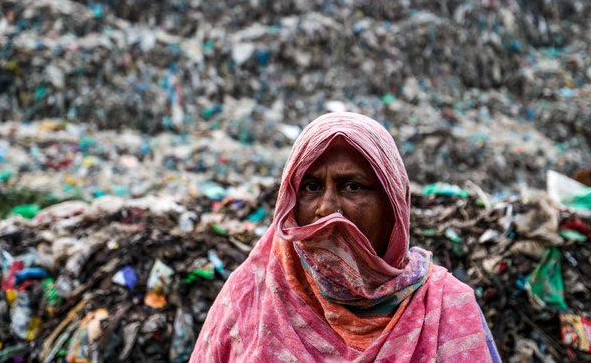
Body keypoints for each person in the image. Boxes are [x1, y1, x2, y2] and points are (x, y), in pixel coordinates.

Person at [190, 112, 501, 362]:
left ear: (394, 205)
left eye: (352, 186)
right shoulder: (251, 293)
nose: (326, 208)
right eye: (311, 187)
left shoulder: (445, 307)